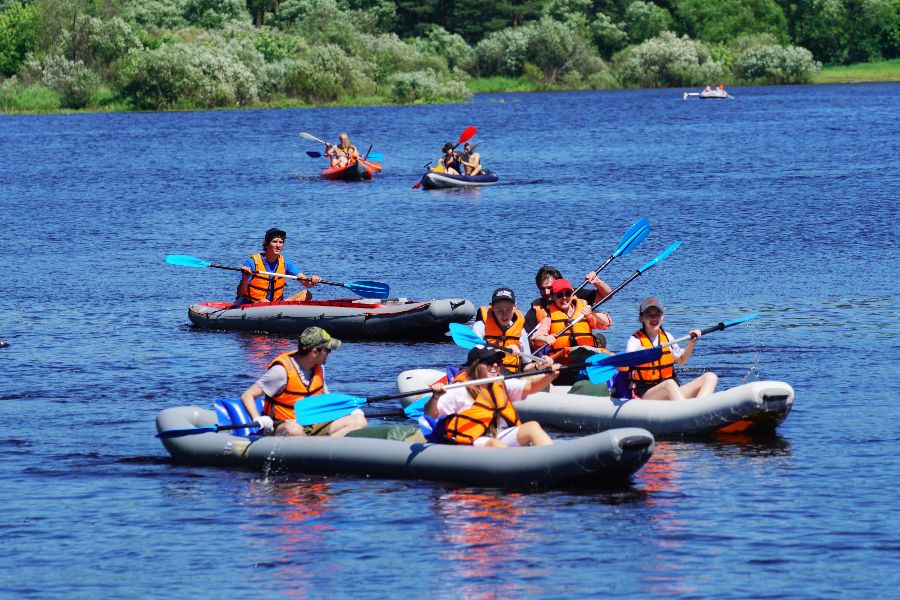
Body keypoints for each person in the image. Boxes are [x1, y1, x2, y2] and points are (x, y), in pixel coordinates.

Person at [241, 327, 368, 437]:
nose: (329, 354)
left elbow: (326, 398)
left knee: (359, 421)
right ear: (314, 352)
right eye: (327, 350)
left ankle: (324, 449)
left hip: (313, 424)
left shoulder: (319, 368)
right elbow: (247, 395)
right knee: (295, 430)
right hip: (283, 426)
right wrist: (257, 418)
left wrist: (346, 410)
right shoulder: (281, 372)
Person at [424, 347, 558, 448]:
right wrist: (435, 397)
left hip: (498, 434)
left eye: (497, 362)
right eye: (489, 362)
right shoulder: (459, 390)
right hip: (472, 439)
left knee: (532, 427)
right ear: (475, 366)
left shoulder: (500, 383)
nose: (495, 365)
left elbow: (530, 386)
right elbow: (431, 414)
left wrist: (549, 376)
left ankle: (553, 464)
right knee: (496, 444)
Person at [625, 297, 718, 400]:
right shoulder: (635, 340)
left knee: (710, 377)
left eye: (657, 314)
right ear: (641, 318)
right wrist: (639, 354)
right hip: (645, 394)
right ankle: (686, 408)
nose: (654, 318)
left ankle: (699, 407)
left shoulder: (668, 337)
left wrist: (692, 342)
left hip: (669, 391)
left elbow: (681, 361)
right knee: (669, 384)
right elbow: (625, 364)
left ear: (662, 317)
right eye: (649, 314)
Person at [523, 265, 612, 350]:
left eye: (550, 288)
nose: (547, 292)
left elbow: (608, 296)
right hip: (555, 351)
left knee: (600, 339)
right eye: (542, 288)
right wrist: (544, 339)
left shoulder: (576, 297)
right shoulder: (536, 312)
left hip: (583, 349)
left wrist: (597, 281)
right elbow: (530, 340)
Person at [531, 279, 611, 364]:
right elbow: (536, 339)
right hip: (563, 360)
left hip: (587, 356)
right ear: (553, 297)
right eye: (559, 295)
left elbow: (606, 323)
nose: (564, 298)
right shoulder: (549, 317)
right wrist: (545, 338)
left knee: (609, 356)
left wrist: (593, 312)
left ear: (572, 295)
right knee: (572, 352)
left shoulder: (583, 311)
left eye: (568, 294)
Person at [235, 228, 321, 306]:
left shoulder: (285, 263)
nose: (278, 245)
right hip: (252, 305)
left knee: (306, 294)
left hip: (276, 305)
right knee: (264, 302)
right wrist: (245, 278)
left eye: (281, 242)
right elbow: (240, 293)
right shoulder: (252, 262)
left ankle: (284, 313)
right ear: (267, 244)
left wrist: (312, 280)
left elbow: (306, 282)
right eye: (275, 242)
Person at [472, 287, 532, 373]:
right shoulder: (480, 326)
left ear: (515, 307)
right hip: (486, 374)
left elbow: (527, 365)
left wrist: (538, 366)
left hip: (511, 376)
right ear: (492, 307)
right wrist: (504, 352)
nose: (504, 315)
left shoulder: (521, 331)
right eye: (500, 310)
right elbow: (474, 356)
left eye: (508, 310)